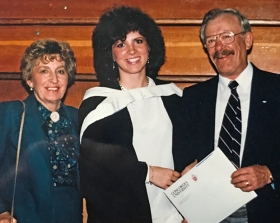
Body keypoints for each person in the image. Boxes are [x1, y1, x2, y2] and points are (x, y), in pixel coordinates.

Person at [78, 5, 188, 223]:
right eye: (121, 44)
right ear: (110, 53)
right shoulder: (99, 104)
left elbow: (191, 150)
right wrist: (149, 173)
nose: (131, 51)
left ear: (150, 46)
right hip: (122, 213)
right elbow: (95, 166)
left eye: (138, 41)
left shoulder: (174, 97)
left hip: (174, 213)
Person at [177, 8, 280, 223]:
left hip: (268, 211)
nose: (219, 47)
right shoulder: (193, 97)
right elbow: (183, 157)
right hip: (208, 214)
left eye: (226, 37)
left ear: (248, 40)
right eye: (211, 41)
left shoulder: (277, 90)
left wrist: (270, 173)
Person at [0, 39, 82, 223]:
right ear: (30, 79)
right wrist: (1, 212)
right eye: (44, 71)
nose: (54, 79)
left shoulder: (78, 118)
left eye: (60, 71)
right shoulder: (11, 114)